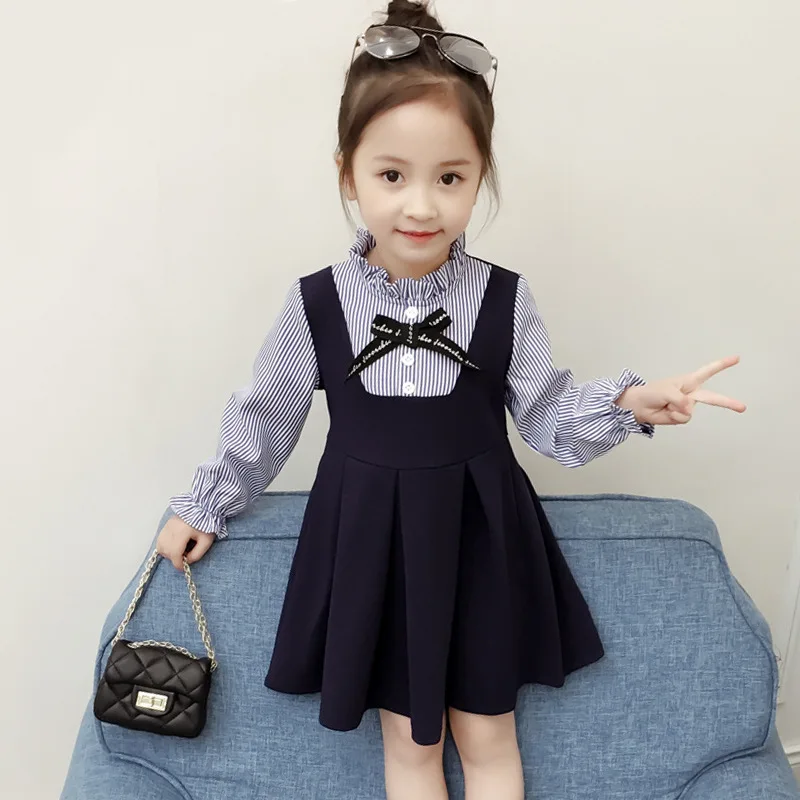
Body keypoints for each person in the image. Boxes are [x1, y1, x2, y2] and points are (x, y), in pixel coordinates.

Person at [156, 2, 745, 797]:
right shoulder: (316, 303)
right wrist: (206, 504)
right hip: (371, 546)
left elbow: (546, 414)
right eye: (391, 175)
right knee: (410, 744)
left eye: (450, 178)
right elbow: (266, 414)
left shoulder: (504, 297)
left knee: (489, 736)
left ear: (480, 178)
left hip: (481, 542)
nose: (421, 206)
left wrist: (633, 402)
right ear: (348, 173)